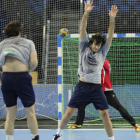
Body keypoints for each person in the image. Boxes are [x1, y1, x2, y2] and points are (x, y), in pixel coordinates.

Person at [52, 0, 119, 140]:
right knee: (69, 112)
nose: (97, 47)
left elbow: (110, 34)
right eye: (95, 44)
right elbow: (82, 29)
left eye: (99, 45)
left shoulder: (102, 51)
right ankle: (58, 133)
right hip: (82, 86)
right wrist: (86, 13)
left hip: (96, 88)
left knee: (105, 115)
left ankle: (112, 139)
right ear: (91, 43)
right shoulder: (84, 46)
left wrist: (112, 19)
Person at [68, 59, 140, 132]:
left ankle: (135, 124)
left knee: (118, 106)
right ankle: (78, 123)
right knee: (81, 104)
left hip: (106, 91)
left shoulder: (104, 62)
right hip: (94, 90)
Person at [0, 21, 39, 140]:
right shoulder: (28, 42)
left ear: (6, 34)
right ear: (19, 33)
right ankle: (34, 138)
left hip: (6, 77)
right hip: (22, 78)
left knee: (10, 115)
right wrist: (25, 71)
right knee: (30, 112)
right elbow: (34, 63)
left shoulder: (1, 44)